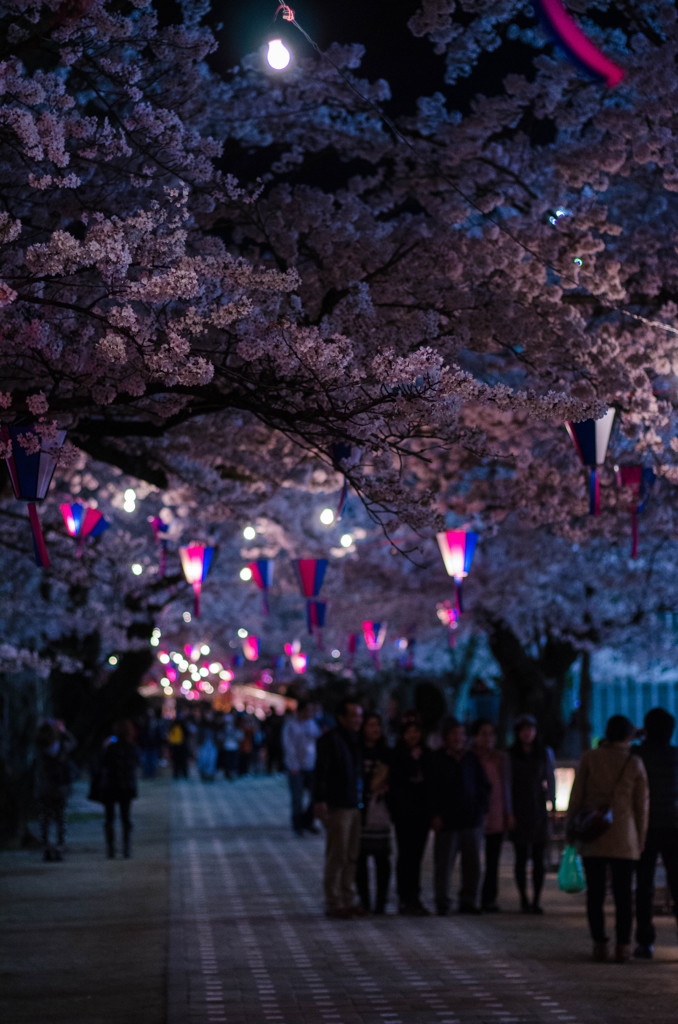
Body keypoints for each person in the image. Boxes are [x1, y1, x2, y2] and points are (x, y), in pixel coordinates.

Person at [567, 714, 649, 963]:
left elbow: (576, 796)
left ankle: (599, 944)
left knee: (596, 894)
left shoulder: (590, 758)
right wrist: (640, 837)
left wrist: (572, 828)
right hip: (624, 836)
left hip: (594, 834)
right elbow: (641, 806)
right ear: (627, 736)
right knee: (624, 896)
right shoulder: (634, 762)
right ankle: (623, 946)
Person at [430, 718, 490, 915]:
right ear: (446, 737)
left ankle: (468, 901)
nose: (458, 738)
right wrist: (435, 814)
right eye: (454, 734)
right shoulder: (437, 759)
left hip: (471, 820)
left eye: (461, 734)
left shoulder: (470, 758)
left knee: (472, 864)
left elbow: (483, 786)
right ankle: (442, 900)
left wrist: (480, 809)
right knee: (444, 864)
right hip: (447, 822)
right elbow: (431, 789)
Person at [633, 707, 678, 959]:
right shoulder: (675, 756)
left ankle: (645, 941)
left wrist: (637, 735)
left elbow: (612, 744)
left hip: (645, 827)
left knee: (643, 885)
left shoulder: (638, 754)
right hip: (673, 826)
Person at [313, 697, 364, 918]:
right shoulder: (330, 740)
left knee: (352, 854)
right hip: (337, 804)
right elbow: (320, 772)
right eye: (353, 715)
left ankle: (347, 897)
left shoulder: (355, 740)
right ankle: (334, 901)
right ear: (341, 717)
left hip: (354, 803)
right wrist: (320, 799)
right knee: (338, 853)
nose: (358, 720)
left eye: (360, 715)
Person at [388, 711, 433, 916]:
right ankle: (405, 896)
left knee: (417, 856)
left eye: (416, 731)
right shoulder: (396, 754)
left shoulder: (427, 754)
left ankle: (414, 896)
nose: (413, 735)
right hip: (403, 813)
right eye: (409, 731)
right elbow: (395, 782)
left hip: (422, 813)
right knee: (405, 855)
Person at [509, 714, 555, 914]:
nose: (528, 734)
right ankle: (523, 899)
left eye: (531, 729)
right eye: (524, 730)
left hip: (538, 808)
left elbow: (550, 778)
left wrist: (552, 804)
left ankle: (536, 899)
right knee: (520, 856)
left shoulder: (543, 753)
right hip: (518, 808)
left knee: (538, 857)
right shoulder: (510, 754)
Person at [471, 718, 514, 912]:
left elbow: (506, 786)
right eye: (483, 734)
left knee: (493, 860)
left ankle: (489, 898)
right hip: (475, 815)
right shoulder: (470, 758)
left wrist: (508, 812)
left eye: (490, 734)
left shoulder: (500, 759)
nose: (487, 738)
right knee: (472, 860)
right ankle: (470, 897)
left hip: (496, 813)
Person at [356, 712, 392, 914]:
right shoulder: (357, 751)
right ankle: (364, 900)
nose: (374, 729)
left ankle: (381, 901)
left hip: (380, 810)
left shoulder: (386, 752)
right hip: (360, 809)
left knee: (382, 858)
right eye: (370, 725)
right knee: (360, 857)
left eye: (377, 725)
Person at [34, 720, 76, 862]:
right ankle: (59, 847)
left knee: (45, 819)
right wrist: (64, 732)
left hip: (44, 788)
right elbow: (73, 743)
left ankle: (46, 847)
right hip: (60, 788)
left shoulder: (38, 748)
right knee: (60, 819)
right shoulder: (62, 747)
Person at [100, 719, 139, 859]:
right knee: (125, 817)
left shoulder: (110, 748)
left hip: (111, 786)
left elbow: (103, 764)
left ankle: (111, 849)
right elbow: (135, 764)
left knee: (109, 818)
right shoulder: (132, 748)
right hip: (126, 786)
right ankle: (126, 848)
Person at [282, 698, 321, 836]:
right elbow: (289, 746)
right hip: (296, 767)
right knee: (297, 797)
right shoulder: (291, 725)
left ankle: (308, 821)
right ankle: (297, 825)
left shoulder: (312, 723)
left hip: (311, 764)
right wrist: (293, 765)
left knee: (315, 795)